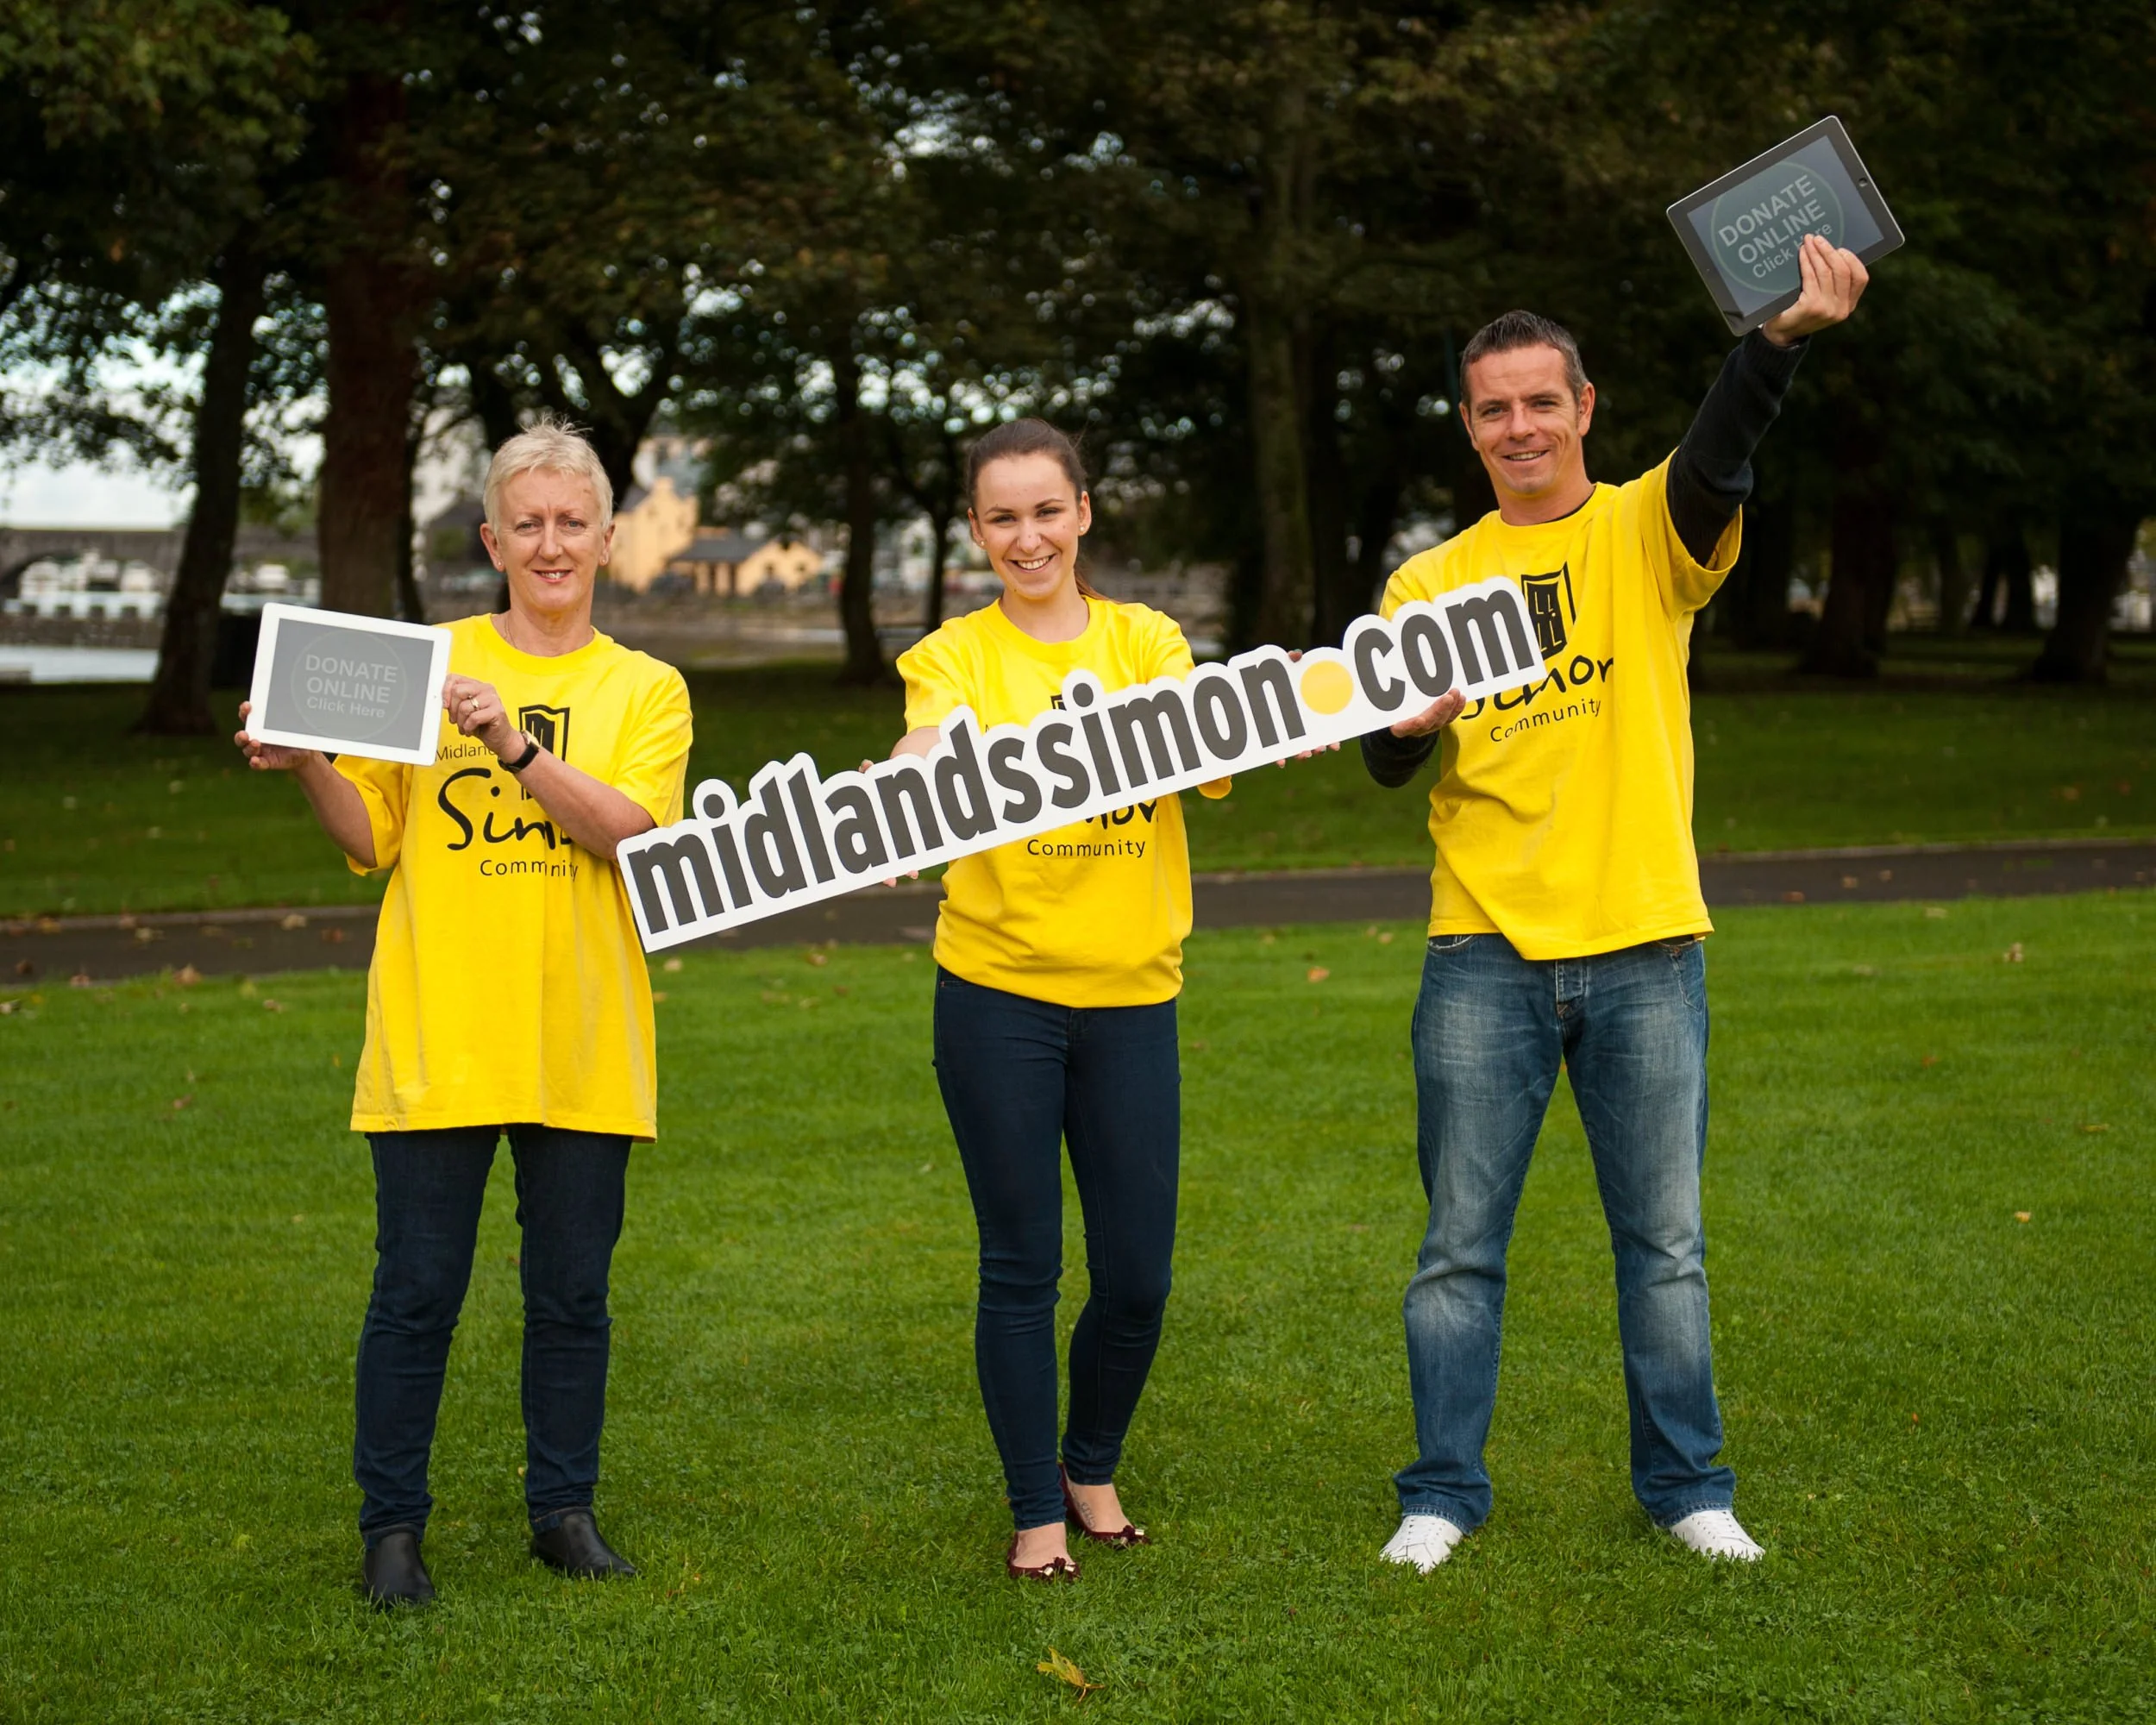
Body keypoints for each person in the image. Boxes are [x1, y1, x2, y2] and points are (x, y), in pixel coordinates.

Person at [1363, 235, 1868, 1571]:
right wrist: (1408, 730)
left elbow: (1719, 457)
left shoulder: (1647, 527)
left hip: (1647, 945)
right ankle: (1441, 1494)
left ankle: (1689, 1487)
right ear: (1468, 426)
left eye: (1543, 400)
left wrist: (1775, 342)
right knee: (1458, 1251)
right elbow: (1382, 751)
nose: (1520, 425)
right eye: (1494, 407)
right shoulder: (1429, 581)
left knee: (1668, 1247)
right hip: (1483, 953)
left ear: (1583, 409)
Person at [235, 417, 693, 1606]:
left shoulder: (647, 689)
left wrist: (513, 743)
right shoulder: (417, 665)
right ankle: (392, 1532)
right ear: (493, 539)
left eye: (571, 523)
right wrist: (312, 769)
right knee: (417, 1291)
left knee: (572, 1296)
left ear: (605, 538)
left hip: (582, 1041)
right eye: (526, 523)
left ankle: (563, 1512)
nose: (550, 543)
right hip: (441, 1030)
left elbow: (633, 835)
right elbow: (373, 840)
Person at [890, 418, 1231, 1581]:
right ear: (977, 532)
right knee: (1022, 1263)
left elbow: (1208, 753)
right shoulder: (951, 655)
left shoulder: (1149, 642)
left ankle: (1093, 1461)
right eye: (1002, 517)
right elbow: (926, 743)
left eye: (1046, 510)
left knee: (1138, 1273)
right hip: (998, 997)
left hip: (1134, 995)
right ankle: (1039, 1507)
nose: (1027, 536)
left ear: (1083, 512)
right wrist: (906, 787)